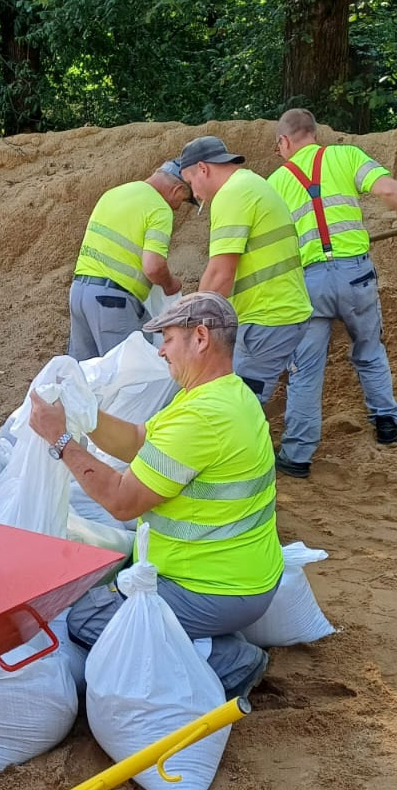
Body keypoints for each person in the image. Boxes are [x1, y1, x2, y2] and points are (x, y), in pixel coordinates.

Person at [30, 291, 282, 699]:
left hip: (213, 587)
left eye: (167, 339)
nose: (161, 351)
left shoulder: (202, 417)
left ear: (199, 337)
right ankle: (206, 640)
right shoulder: (220, 394)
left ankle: (228, 659)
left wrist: (60, 441)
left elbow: (121, 500)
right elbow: (137, 442)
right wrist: (86, 413)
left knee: (87, 621)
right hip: (237, 575)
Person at [267, 108, 397, 478]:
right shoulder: (345, 156)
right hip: (355, 276)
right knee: (368, 349)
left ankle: (297, 457)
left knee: (305, 369)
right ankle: (387, 424)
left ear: (284, 141)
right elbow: (388, 189)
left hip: (308, 283)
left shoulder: (275, 182)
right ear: (313, 133)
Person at [176, 135, 312, 406]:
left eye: (191, 183)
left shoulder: (232, 194)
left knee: (238, 406)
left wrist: (191, 329)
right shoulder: (250, 184)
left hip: (267, 318)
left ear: (203, 168)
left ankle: (248, 448)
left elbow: (220, 273)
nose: (196, 194)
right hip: (276, 312)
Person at [67, 160, 196, 361]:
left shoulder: (114, 193)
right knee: (126, 375)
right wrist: (171, 285)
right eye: (184, 199)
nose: (179, 206)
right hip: (112, 302)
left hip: (79, 293)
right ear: (177, 188)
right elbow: (153, 267)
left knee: (84, 374)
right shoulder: (159, 208)